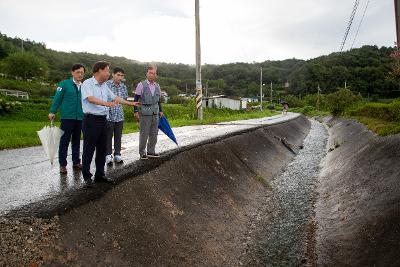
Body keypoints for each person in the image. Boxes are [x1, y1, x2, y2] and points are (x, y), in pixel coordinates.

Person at [81, 61, 138, 186]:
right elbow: (90, 99)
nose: (108, 73)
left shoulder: (104, 86)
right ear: (99, 71)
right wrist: (107, 104)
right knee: (88, 149)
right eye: (107, 70)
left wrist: (131, 103)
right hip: (91, 120)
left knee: (102, 149)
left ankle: (100, 174)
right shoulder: (87, 83)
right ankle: (86, 177)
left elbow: (115, 98)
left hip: (103, 120)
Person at [48, 63, 85, 174]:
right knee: (64, 141)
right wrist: (52, 111)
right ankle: (63, 165)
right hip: (67, 117)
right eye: (78, 72)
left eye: (82, 72)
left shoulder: (84, 86)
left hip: (80, 117)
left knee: (76, 141)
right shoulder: (64, 84)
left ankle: (76, 162)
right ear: (72, 72)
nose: (80, 74)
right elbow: (57, 98)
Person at [133, 66, 164, 160]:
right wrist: (135, 111)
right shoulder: (141, 85)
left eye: (154, 73)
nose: (152, 75)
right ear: (146, 74)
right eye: (150, 73)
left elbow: (158, 100)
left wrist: (161, 110)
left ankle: (151, 151)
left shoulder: (157, 86)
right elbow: (135, 99)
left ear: (156, 75)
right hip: (145, 113)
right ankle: (142, 152)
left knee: (154, 133)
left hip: (156, 113)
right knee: (144, 133)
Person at [106, 67, 128, 164]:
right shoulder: (106, 85)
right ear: (113, 74)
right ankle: (108, 155)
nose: (120, 77)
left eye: (122, 75)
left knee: (118, 136)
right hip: (108, 115)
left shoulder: (123, 87)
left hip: (119, 115)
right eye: (118, 75)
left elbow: (124, 99)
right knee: (108, 136)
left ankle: (117, 154)